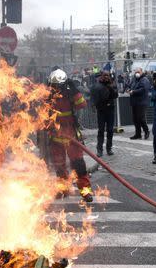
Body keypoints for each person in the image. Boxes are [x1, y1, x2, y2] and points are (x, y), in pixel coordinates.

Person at [47, 67, 93, 202]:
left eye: (58, 85)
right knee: (59, 165)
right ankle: (63, 190)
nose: (56, 88)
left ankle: (85, 192)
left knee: (78, 165)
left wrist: (75, 92)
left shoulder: (70, 94)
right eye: (53, 85)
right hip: (56, 136)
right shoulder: (48, 95)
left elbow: (82, 104)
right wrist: (50, 126)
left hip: (71, 135)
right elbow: (43, 114)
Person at [90, 70, 118, 157]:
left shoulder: (112, 84)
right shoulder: (97, 85)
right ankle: (99, 149)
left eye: (107, 75)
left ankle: (109, 148)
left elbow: (115, 95)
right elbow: (93, 97)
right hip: (101, 111)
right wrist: (93, 106)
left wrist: (110, 87)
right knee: (101, 130)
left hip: (110, 110)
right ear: (101, 76)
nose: (106, 77)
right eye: (104, 75)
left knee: (110, 130)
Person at [127, 68, 151, 140]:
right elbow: (129, 85)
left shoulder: (144, 80)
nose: (137, 73)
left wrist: (133, 92)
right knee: (135, 119)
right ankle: (138, 134)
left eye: (138, 72)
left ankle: (146, 131)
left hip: (141, 102)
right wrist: (128, 89)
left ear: (141, 72)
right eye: (136, 72)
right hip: (134, 102)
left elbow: (143, 89)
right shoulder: (134, 79)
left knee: (141, 118)